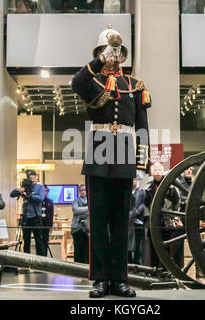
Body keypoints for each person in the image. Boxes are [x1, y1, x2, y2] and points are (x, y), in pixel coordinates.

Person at [71, 24, 151, 298]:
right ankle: (100, 279)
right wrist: (101, 58)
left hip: (125, 157)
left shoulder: (135, 85)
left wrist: (141, 165)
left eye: (116, 51)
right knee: (98, 222)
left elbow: (142, 127)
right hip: (98, 156)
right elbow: (76, 83)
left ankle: (119, 279)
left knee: (121, 223)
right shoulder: (91, 83)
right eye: (108, 51)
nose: (114, 55)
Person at [144, 163, 181, 268]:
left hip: (166, 221)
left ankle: (166, 269)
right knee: (153, 247)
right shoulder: (148, 186)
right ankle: (155, 270)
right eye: (155, 169)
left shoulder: (172, 186)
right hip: (153, 221)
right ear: (152, 172)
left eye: (159, 169)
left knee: (166, 247)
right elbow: (145, 203)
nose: (157, 172)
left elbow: (176, 203)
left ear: (162, 170)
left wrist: (174, 217)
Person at [10, 170, 46, 256]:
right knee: (26, 241)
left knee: (39, 240)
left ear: (35, 176)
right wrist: (20, 191)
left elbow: (41, 198)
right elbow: (12, 194)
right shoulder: (24, 186)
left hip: (36, 216)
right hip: (26, 217)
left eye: (32, 175)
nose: (30, 177)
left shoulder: (39, 187)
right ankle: (27, 263)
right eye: (29, 175)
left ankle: (40, 262)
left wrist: (29, 195)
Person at [128, 180, 146, 265]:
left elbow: (144, 203)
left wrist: (136, 212)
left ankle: (137, 263)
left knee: (138, 244)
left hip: (138, 221)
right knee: (127, 243)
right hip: (128, 222)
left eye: (134, 179)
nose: (132, 181)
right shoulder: (126, 191)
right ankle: (128, 262)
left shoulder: (142, 191)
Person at [71, 184, 89, 263]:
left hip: (88, 229)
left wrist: (81, 209)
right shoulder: (75, 201)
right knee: (78, 251)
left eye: (85, 190)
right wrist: (88, 209)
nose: (83, 191)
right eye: (81, 190)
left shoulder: (91, 200)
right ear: (79, 192)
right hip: (77, 228)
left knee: (88, 251)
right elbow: (75, 210)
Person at [41, 186, 54, 257]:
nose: (44, 193)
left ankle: (45, 256)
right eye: (43, 191)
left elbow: (51, 214)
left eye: (46, 191)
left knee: (45, 242)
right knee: (40, 242)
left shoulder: (50, 201)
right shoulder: (38, 201)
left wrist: (50, 226)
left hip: (46, 225)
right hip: (39, 224)